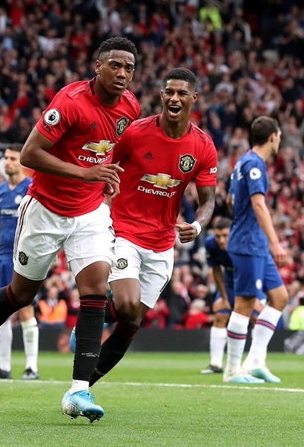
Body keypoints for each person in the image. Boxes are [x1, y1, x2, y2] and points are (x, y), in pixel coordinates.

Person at [0, 36, 141, 422]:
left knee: (95, 289)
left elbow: (111, 149)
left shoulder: (130, 106)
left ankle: (78, 391)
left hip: (90, 212)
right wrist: (85, 173)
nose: (123, 73)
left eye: (129, 68)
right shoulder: (70, 102)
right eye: (115, 65)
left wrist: (109, 177)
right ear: (98, 66)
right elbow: (29, 155)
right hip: (45, 209)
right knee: (22, 294)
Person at [77, 67, 218, 388]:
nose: (174, 98)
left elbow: (208, 200)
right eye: (169, 92)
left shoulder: (203, 145)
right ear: (162, 95)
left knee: (131, 322)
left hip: (163, 243)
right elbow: (104, 166)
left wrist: (197, 226)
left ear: (194, 98)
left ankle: (83, 388)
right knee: (127, 304)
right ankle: (88, 325)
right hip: (123, 232)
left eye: (182, 93)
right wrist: (100, 205)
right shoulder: (135, 132)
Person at [224, 116, 289, 384]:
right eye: (279, 136)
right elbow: (258, 204)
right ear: (273, 137)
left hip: (255, 243)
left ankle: (255, 361)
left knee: (280, 297)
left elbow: (230, 199)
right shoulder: (254, 165)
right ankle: (232, 370)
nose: (279, 140)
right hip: (248, 243)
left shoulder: (242, 161)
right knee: (245, 304)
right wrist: (275, 242)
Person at [0, 144, 40, 381]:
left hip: (24, 257)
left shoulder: (31, 187)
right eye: (6, 158)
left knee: (25, 309)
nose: (7, 162)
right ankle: (4, 369)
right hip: (2, 257)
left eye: (13, 158)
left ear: (22, 162)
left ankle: (31, 368)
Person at [200, 217, 266, 374]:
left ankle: (257, 362)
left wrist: (257, 296)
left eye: (225, 236)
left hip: (252, 280)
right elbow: (216, 270)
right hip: (230, 282)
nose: (221, 240)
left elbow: (259, 267)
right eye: (218, 236)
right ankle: (215, 364)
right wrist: (223, 298)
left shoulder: (246, 242)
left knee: (256, 317)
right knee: (220, 315)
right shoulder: (211, 244)